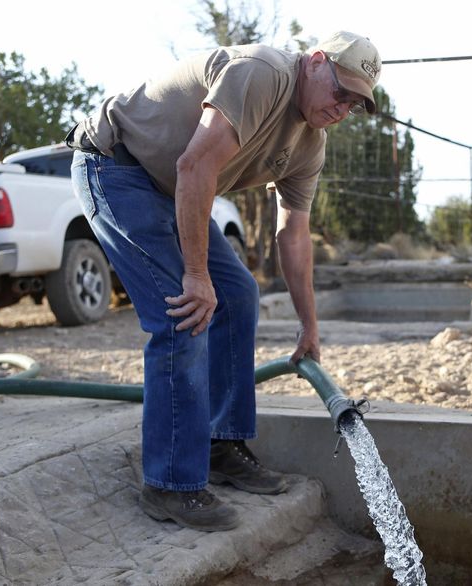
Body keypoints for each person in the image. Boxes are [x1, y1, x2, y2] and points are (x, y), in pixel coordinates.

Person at [65, 31, 382, 532]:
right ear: (316, 61)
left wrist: (309, 325)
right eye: (340, 91)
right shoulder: (263, 73)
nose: (343, 108)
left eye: (355, 104)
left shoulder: (310, 144)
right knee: (183, 313)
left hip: (172, 184)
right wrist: (194, 275)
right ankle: (170, 484)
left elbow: (292, 234)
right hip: (118, 166)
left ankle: (221, 444)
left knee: (236, 294)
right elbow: (195, 164)